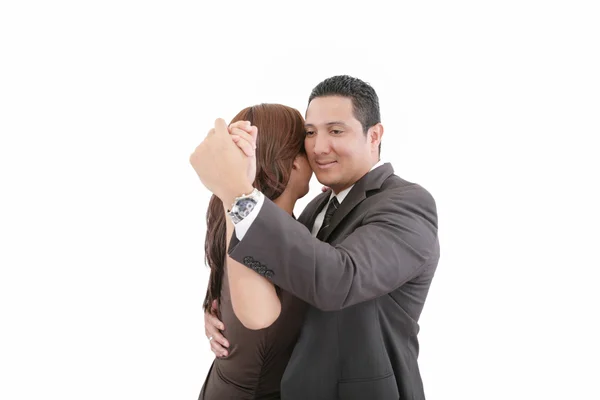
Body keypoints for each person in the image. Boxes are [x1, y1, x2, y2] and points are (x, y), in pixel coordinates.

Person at [191, 75, 440, 400]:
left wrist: (238, 194)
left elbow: (338, 279)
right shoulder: (316, 208)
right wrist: (225, 313)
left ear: (374, 135)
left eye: (336, 131)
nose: (319, 147)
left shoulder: (407, 203)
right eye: (309, 134)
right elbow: (287, 277)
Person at [197, 104, 313, 399]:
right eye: (306, 142)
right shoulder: (246, 225)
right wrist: (232, 188)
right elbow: (258, 318)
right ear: (294, 162)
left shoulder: (265, 226)